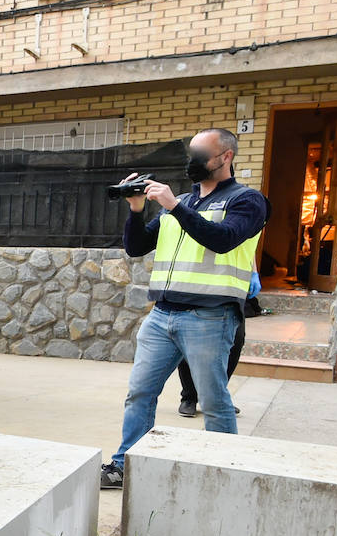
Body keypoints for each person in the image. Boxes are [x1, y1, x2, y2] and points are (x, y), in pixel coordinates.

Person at [100, 128, 268, 489]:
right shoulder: (187, 203)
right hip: (162, 315)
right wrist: (136, 209)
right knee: (140, 393)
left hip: (210, 316)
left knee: (213, 400)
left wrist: (173, 205)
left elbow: (222, 241)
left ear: (226, 157)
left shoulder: (247, 201)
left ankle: (220, 474)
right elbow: (137, 247)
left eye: (201, 154)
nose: (193, 162)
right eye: (190, 153)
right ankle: (125, 465)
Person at [174, 269, 260, 417]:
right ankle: (189, 397)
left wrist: (254, 271)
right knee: (189, 337)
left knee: (236, 339)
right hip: (198, 282)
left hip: (232, 286)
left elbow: (250, 247)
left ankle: (217, 396)